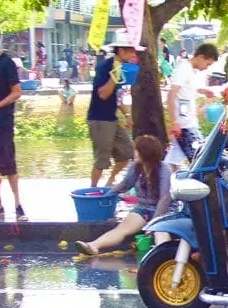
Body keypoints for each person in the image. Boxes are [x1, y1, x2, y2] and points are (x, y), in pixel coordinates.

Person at [74, 135, 172, 255]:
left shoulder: (164, 169)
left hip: (163, 211)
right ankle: (93, 246)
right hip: (144, 208)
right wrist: (106, 195)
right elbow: (125, 185)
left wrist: (154, 222)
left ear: (145, 153)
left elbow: (165, 198)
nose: (134, 153)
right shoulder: (136, 167)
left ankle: (164, 258)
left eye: (136, 150)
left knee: (160, 231)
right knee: (122, 229)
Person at [86, 32, 146, 187]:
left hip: (111, 118)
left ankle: (109, 183)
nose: (133, 54)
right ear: (120, 51)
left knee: (127, 152)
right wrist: (115, 74)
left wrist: (127, 114)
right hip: (99, 119)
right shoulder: (106, 66)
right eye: (130, 50)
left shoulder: (122, 68)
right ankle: (92, 190)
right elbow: (103, 94)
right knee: (102, 158)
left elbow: (117, 95)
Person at [0, 22, 27, 221]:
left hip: (2, 122)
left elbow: (17, 92)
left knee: (7, 162)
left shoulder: (6, 64)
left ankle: (18, 204)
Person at [163, 43, 220, 171]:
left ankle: (169, 184)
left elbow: (189, 88)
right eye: (208, 63)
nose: (207, 68)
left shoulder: (191, 71)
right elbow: (171, 95)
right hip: (184, 125)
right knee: (198, 159)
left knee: (174, 159)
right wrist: (174, 122)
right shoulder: (183, 69)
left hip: (188, 122)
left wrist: (204, 91)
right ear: (200, 57)